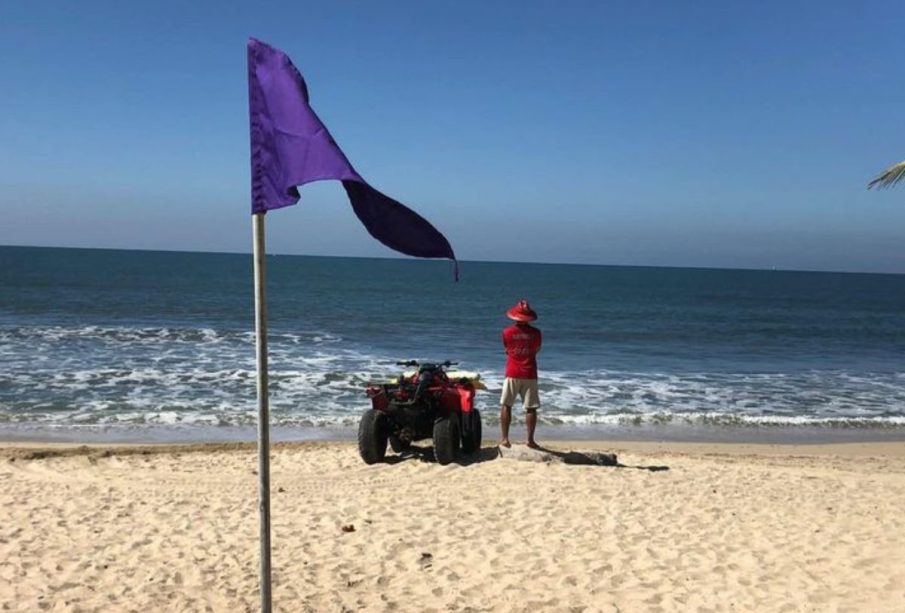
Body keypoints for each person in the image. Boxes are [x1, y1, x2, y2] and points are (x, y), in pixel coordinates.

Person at [499, 299, 542, 448]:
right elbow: (537, 349)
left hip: (512, 371)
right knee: (531, 408)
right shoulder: (536, 333)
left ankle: (505, 439)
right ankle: (530, 440)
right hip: (530, 372)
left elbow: (506, 350)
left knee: (506, 405)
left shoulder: (507, 332)